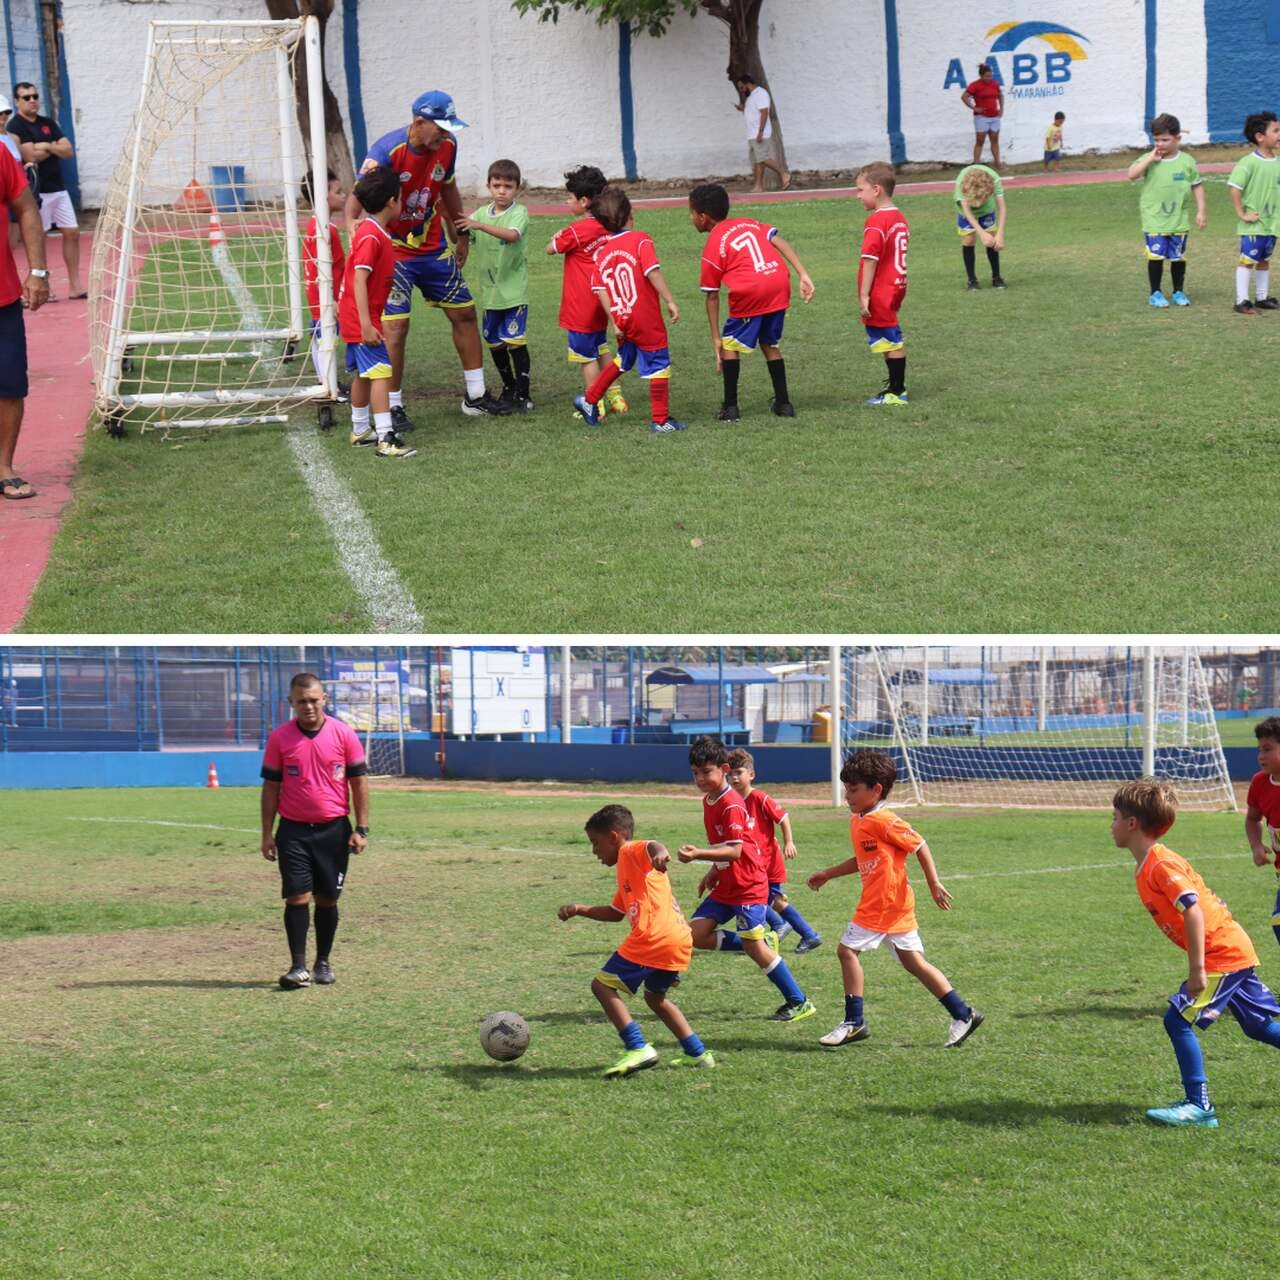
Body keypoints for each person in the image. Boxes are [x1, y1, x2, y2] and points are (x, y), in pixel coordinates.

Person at [1112, 778, 1280, 1128]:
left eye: (1114, 817)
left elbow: (1192, 910)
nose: (1110, 825)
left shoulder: (1160, 864)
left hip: (1222, 954)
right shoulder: (1149, 863)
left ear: (1132, 823)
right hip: (1231, 948)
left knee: (1176, 1020)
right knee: (1259, 1027)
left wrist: (1197, 969)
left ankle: (1198, 1106)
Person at [349, 90, 510, 432]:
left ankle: (475, 396)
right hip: (394, 250)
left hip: (433, 245)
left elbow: (447, 188)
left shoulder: (448, 145)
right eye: (440, 127)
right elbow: (357, 196)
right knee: (395, 327)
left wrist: (460, 232)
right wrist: (352, 226)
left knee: (465, 312)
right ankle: (393, 406)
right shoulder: (386, 151)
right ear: (419, 122)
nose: (445, 134)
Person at [807, 749, 983, 1050]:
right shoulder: (859, 820)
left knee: (846, 951)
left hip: (883, 903)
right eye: (846, 789)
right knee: (913, 962)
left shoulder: (884, 820)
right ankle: (963, 1014)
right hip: (895, 904)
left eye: (854, 790)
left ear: (876, 790)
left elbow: (920, 845)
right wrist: (829, 874)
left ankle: (854, 1021)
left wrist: (934, 883)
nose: (847, 796)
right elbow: (863, 859)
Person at [558, 804, 714, 1077]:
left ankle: (637, 1047)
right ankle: (697, 1053)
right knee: (655, 997)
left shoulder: (629, 851)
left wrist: (660, 853)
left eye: (595, 843)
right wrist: (580, 909)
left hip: (654, 937)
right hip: (677, 937)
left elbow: (651, 845)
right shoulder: (628, 873)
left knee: (601, 986)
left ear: (614, 837)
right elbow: (615, 913)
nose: (594, 851)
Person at [675, 735, 816, 1022]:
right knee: (693, 934)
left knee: (756, 948)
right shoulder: (709, 800)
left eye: (706, 772)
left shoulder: (732, 805)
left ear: (724, 769)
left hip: (748, 885)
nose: (700, 779)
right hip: (727, 885)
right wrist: (714, 871)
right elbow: (722, 845)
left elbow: (735, 850)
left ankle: (799, 1001)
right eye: (695, 773)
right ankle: (758, 942)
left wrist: (699, 854)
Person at [260, 673, 370, 990]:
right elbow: (270, 788)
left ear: (324, 699)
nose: (308, 706)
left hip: (334, 831)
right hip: (293, 831)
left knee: (327, 899)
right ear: (290, 703)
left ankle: (323, 962)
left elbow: (359, 783)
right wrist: (267, 834)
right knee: (297, 897)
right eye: (301, 701)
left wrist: (361, 829)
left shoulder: (344, 734)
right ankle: (298, 967)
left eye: (313, 700)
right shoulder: (280, 738)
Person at [689, 182, 814, 421]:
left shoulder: (714, 243)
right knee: (769, 343)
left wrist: (716, 339)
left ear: (703, 217)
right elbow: (778, 240)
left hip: (751, 290)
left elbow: (712, 295)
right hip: (778, 283)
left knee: (730, 345)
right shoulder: (748, 222)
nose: (692, 218)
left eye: (692, 213)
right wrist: (803, 274)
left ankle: (730, 408)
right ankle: (784, 404)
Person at [572, 187, 685, 434]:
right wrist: (669, 300)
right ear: (629, 214)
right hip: (645, 317)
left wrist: (614, 320)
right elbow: (652, 272)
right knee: (659, 362)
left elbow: (600, 289)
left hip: (623, 316)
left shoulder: (602, 252)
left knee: (624, 359)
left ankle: (590, 400)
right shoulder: (640, 239)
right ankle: (660, 420)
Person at [338, 166, 415, 459]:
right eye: (401, 196)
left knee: (365, 374)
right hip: (361, 319)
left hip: (356, 316)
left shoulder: (374, 231)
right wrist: (366, 324)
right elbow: (359, 279)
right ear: (392, 201)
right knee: (382, 372)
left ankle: (360, 430)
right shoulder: (371, 236)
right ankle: (385, 437)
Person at [547, 165, 625, 422]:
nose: (566, 201)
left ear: (584, 201)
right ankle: (616, 397)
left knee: (586, 356)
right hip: (603, 302)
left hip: (580, 305)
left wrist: (557, 236)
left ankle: (594, 404)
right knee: (601, 349)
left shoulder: (577, 230)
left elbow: (551, 248)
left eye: (569, 197)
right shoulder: (610, 226)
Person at [726, 748, 822, 954]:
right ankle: (782, 926)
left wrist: (789, 842)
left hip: (769, 863)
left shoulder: (759, 797)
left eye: (739, 772)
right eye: (730, 773)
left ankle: (807, 933)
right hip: (753, 864)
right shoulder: (733, 801)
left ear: (751, 774)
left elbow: (783, 817)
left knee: (772, 900)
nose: (734, 777)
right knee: (759, 898)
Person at [457, 158, 532, 412]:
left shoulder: (519, 213)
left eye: (508, 186)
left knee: (515, 341)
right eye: (497, 185)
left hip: (513, 293)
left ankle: (523, 395)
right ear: (488, 185)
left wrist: (478, 225)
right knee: (495, 342)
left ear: (517, 188)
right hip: (490, 294)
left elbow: (512, 235)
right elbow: (463, 234)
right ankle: (508, 387)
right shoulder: (481, 213)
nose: (502, 191)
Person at [0, 138, 47, 500]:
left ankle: (4, 467)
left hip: (2, 296)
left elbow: (27, 209)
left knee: (10, 384)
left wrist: (38, 272)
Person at [7, 82, 82, 298]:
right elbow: (30, 156)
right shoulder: (15, 126)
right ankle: (45, 286)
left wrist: (46, 146)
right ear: (17, 101)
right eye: (26, 97)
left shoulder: (47, 122)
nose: (32, 100)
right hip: (36, 191)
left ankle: (75, 286)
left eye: (35, 96)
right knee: (40, 237)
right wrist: (52, 146)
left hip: (58, 187)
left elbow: (67, 150)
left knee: (72, 233)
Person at [1127, 112, 1206, 308]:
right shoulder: (1149, 159)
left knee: (1178, 257)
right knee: (1156, 256)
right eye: (1156, 140)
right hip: (1154, 219)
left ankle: (1178, 291)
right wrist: (1149, 160)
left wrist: (1201, 210)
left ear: (1177, 138)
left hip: (1178, 219)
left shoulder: (1187, 161)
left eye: (1165, 139)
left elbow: (1196, 185)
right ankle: (1155, 293)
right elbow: (1131, 175)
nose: (1160, 144)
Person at [854, 161, 910, 406]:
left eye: (860, 190)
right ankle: (894, 386)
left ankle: (897, 392)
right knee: (887, 335)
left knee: (890, 337)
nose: (858, 196)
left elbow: (870, 259)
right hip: (897, 284)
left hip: (881, 289)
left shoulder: (877, 221)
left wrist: (864, 294)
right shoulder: (899, 217)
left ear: (876, 189)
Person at [300, 169, 348, 401]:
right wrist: (331, 299)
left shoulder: (321, 226)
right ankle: (327, 386)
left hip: (322, 294)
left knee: (322, 336)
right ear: (322, 196)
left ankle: (327, 381)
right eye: (338, 192)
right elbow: (320, 268)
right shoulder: (322, 230)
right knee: (325, 337)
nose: (344, 195)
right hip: (324, 296)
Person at [1227, 111, 1280, 315]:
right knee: (1248, 260)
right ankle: (1242, 301)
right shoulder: (1248, 163)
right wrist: (1242, 214)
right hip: (1254, 224)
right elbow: (1235, 188)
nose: (1279, 134)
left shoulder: (1277, 161)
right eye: (1276, 130)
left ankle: (1262, 298)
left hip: (1272, 223)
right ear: (1260, 136)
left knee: (1264, 260)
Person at [1244, 716, 1280, 947]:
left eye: (1268, 749)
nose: (1261, 756)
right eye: (1259, 750)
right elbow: (1252, 818)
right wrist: (1256, 846)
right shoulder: (1260, 783)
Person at [732, 71, 789, 193]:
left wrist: (761, 131)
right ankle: (758, 186)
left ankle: (783, 173)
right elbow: (754, 112)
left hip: (759, 133)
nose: (741, 90)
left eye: (741, 87)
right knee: (757, 162)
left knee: (762, 158)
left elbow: (764, 112)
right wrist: (743, 109)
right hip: (751, 134)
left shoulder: (761, 93)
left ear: (747, 84)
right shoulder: (751, 96)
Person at [954, 163, 1006, 290]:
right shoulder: (961, 185)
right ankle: (972, 280)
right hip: (965, 212)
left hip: (987, 210)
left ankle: (997, 277)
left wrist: (1000, 234)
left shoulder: (995, 180)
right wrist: (981, 234)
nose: (977, 205)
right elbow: (967, 212)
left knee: (991, 239)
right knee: (969, 240)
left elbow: (1002, 208)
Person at [960, 64, 1004, 169]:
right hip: (981, 118)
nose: (989, 78)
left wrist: (1001, 109)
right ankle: (977, 165)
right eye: (987, 76)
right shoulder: (975, 85)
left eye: (990, 76)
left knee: (995, 141)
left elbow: (1000, 95)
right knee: (980, 141)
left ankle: (997, 163)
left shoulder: (994, 84)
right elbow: (964, 97)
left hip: (994, 117)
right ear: (981, 76)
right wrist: (974, 108)